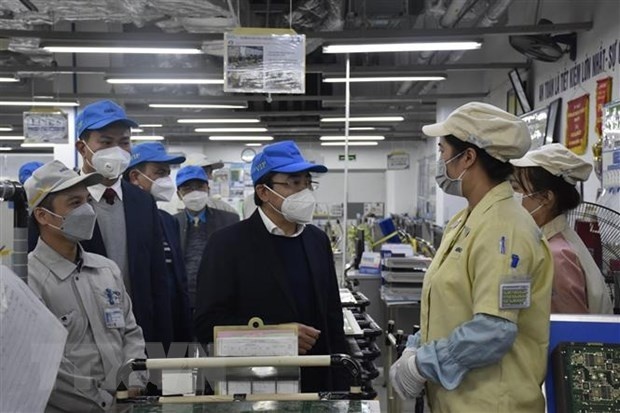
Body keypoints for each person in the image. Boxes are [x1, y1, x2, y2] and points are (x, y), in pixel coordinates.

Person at [389, 102, 554, 412]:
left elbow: (494, 330)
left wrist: (423, 364)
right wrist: (416, 348)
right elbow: (451, 307)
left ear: (468, 157)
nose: (440, 162)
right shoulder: (465, 221)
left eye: (442, 151)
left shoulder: (505, 229)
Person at [193, 140, 348, 392]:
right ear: (263, 192)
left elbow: (332, 317)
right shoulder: (227, 244)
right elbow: (206, 324)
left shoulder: (317, 240)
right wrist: (276, 337)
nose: (305, 191)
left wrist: (342, 383)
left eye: (307, 182)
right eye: (294, 182)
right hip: (255, 382)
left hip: (316, 381)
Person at [29, 100, 173, 350]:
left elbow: (157, 278)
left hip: (139, 333)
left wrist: (164, 346)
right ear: (82, 147)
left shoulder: (143, 202)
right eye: (106, 142)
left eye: (124, 142)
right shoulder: (58, 201)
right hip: (79, 338)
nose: (117, 150)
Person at [25, 160, 146, 412]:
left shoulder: (107, 270)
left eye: (87, 200)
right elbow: (45, 363)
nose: (88, 210)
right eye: (74, 203)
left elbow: (131, 333)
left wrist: (134, 380)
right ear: (43, 215)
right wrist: (103, 402)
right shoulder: (28, 280)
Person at [510, 143, 613, 314]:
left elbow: (571, 327)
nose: (511, 196)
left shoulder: (557, 256)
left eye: (516, 189)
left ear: (546, 198)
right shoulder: (550, 241)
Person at [125, 142, 193, 343]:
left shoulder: (168, 220)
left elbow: (178, 278)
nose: (166, 180)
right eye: (159, 173)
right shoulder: (124, 220)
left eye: (167, 173)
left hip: (173, 322)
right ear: (135, 177)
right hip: (139, 327)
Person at [174, 166, 239, 312]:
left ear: (208, 189)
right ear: (179, 194)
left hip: (221, 299)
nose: (195, 193)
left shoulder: (229, 220)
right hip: (184, 300)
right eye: (188, 188)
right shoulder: (171, 223)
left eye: (199, 187)